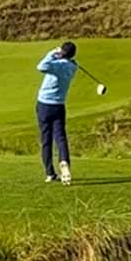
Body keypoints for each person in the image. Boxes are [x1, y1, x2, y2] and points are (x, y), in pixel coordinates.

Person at [36, 41, 78, 184]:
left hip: (44, 105)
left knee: (46, 140)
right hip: (59, 106)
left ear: (62, 52)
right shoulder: (73, 67)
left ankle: (50, 173)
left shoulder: (57, 65)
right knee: (60, 138)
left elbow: (41, 67)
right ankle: (64, 161)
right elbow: (71, 63)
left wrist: (53, 54)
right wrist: (65, 56)